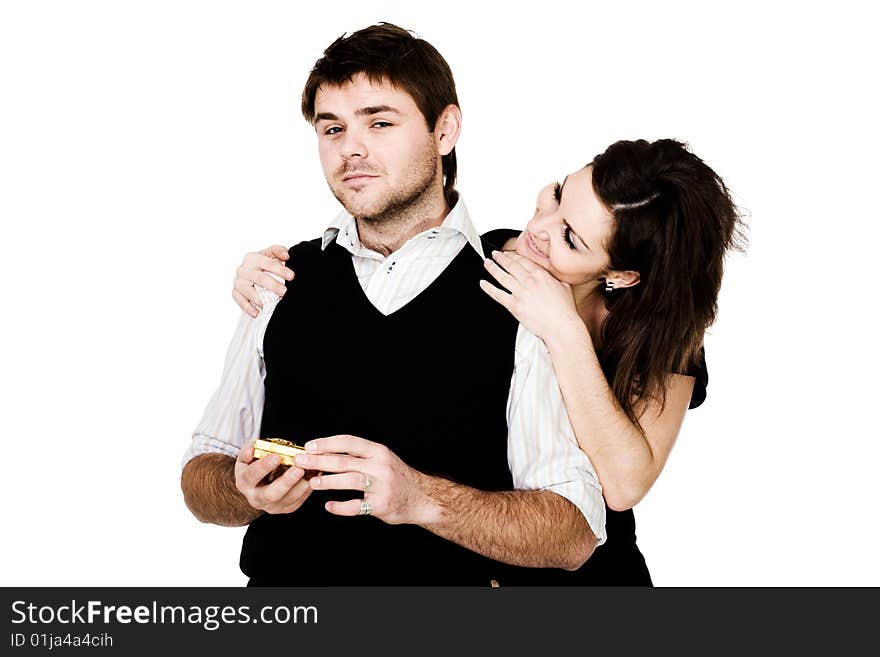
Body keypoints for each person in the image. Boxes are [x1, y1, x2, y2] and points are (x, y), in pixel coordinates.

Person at [181, 22, 608, 587]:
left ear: (445, 130)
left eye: (380, 122)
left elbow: (574, 532)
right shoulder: (278, 280)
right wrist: (241, 489)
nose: (351, 148)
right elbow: (199, 477)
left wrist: (422, 498)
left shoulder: (520, 296)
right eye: (332, 128)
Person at [230, 137, 745, 584]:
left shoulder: (664, 335)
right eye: (558, 196)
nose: (540, 227)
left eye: (571, 238)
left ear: (623, 275)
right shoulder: (483, 259)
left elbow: (626, 481)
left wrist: (562, 329)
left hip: (590, 579)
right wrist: (273, 280)